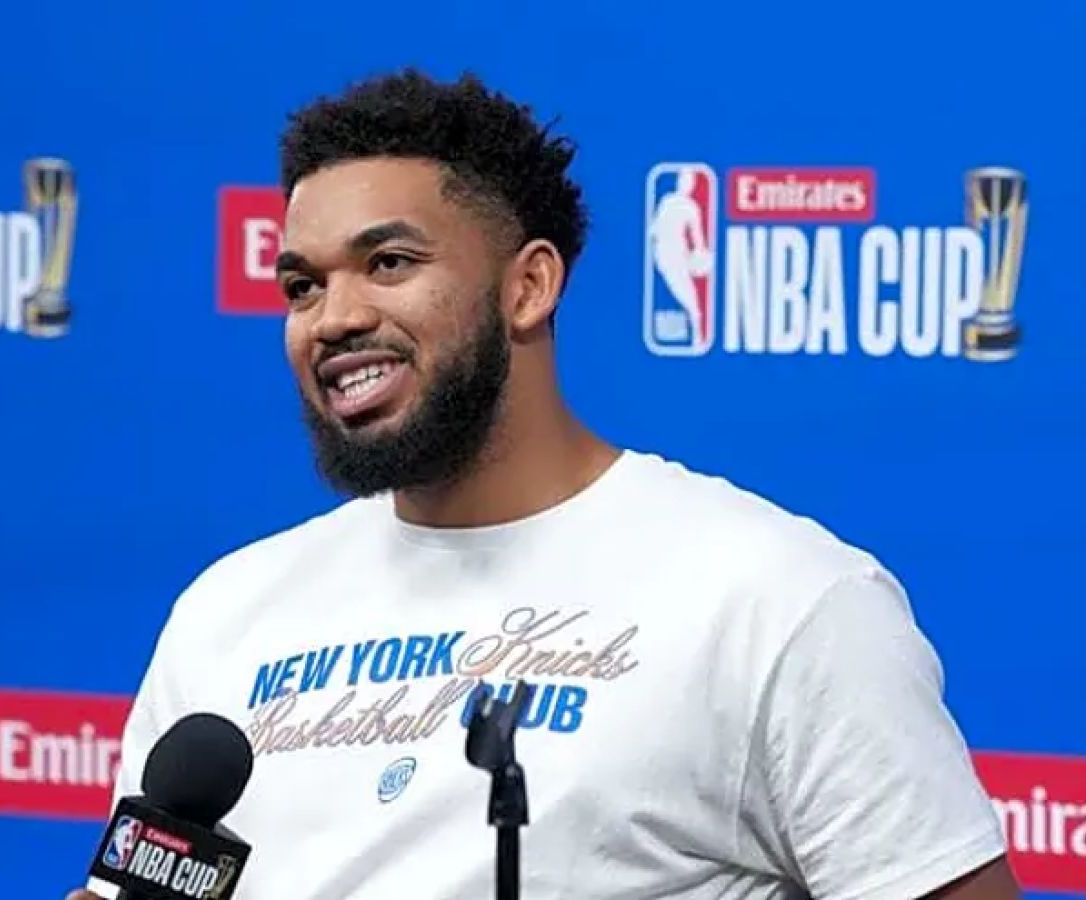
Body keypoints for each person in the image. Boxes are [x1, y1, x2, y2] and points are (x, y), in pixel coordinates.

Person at [69, 69, 1021, 900]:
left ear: (528, 287)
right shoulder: (227, 613)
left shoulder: (776, 601)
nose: (333, 318)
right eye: (301, 286)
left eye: (389, 263)